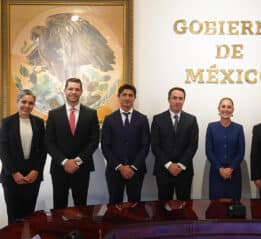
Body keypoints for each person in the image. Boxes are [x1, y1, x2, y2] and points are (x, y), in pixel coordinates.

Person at [46, 78, 99, 209]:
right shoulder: (53, 114)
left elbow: (94, 141)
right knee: (59, 207)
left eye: (77, 89)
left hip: (82, 168)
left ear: (81, 92)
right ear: (64, 91)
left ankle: (80, 230)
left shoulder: (91, 114)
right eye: (70, 89)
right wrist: (65, 161)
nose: (73, 92)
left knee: (81, 206)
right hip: (59, 168)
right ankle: (59, 230)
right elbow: (49, 142)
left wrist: (78, 161)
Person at [0, 89, 46, 224]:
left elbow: (43, 150)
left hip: (33, 177)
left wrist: (36, 170)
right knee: (14, 217)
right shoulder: (7, 122)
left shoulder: (39, 122)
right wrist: (14, 172)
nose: (27, 105)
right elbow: (3, 149)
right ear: (17, 102)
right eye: (24, 102)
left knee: (29, 216)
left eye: (31, 103)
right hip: (12, 178)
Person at [101, 84, 150, 203]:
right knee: (114, 204)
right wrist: (120, 167)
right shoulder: (109, 119)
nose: (127, 98)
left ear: (134, 98)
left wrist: (133, 167)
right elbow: (105, 146)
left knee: (135, 205)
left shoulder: (142, 119)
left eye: (130, 95)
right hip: (115, 170)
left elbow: (145, 146)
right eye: (124, 95)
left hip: (136, 171)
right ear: (119, 97)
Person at [151, 87, 199, 200]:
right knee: (163, 207)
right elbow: (155, 146)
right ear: (169, 99)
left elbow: (193, 146)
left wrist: (180, 165)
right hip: (163, 170)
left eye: (180, 98)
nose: (177, 101)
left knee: (184, 207)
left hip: (184, 171)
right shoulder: (158, 119)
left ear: (184, 100)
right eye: (174, 98)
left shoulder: (191, 120)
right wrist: (169, 165)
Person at [206, 97, 245, 199]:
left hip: (234, 173)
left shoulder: (239, 128)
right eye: (223, 106)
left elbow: (241, 152)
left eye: (229, 107)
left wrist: (230, 169)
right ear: (218, 108)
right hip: (216, 173)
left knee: (234, 207)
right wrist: (220, 169)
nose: (226, 109)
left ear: (232, 110)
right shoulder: (211, 127)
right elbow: (209, 151)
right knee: (216, 207)